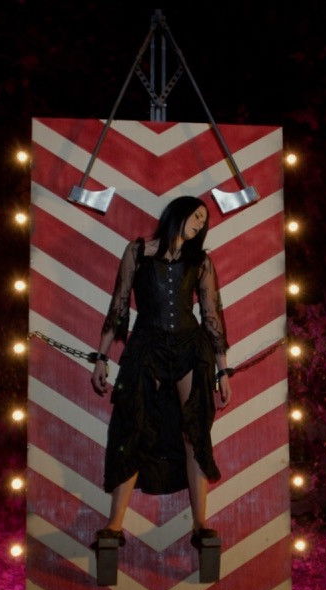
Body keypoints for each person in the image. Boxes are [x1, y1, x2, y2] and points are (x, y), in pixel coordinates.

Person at [89, 195, 232, 562]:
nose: (199, 223)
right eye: (195, 216)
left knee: (194, 432)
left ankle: (201, 526)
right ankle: (114, 526)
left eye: (203, 220)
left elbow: (211, 314)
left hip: (190, 348)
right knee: (132, 427)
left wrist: (222, 368)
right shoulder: (137, 251)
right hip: (147, 345)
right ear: (177, 213)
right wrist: (101, 357)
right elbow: (119, 304)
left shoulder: (200, 261)